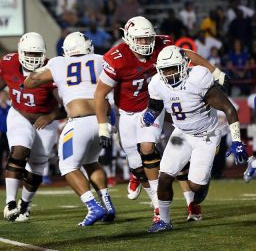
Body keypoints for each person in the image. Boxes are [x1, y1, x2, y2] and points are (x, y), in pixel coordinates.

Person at [94, 16, 229, 221]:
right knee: (141, 164)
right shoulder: (116, 57)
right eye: (139, 39)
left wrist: (215, 71)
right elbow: (100, 93)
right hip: (127, 114)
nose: (145, 43)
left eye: (148, 38)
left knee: (151, 149)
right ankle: (138, 176)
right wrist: (102, 126)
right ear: (128, 38)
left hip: (154, 108)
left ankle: (168, 207)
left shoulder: (162, 45)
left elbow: (186, 55)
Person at [142, 45, 247, 232]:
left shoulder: (198, 78)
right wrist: (150, 113)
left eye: (173, 68)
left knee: (195, 186)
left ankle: (202, 185)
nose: (170, 74)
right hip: (181, 134)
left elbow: (229, 109)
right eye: (165, 70)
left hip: (206, 135)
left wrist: (237, 140)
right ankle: (164, 221)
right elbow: (155, 105)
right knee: (165, 176)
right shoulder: (157, 83)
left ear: (183, 65)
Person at [24, 32, 115, 226]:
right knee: (92, 161)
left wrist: (40, 70)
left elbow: (29, 83)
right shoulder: (100, 59)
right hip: (102, 120)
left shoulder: (58, 63)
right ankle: (107, 205)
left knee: (67, 167)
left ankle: (93, 206)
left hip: (79, 121)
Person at [0, 32, 61, 222]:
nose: (33, 58)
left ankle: (25, 204)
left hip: (45, 120)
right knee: (19, 150)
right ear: (20, 52)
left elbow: (67, 105)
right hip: (19, 114)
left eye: (37, 55)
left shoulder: (52, 69)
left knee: (37, 166)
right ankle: (10, 203)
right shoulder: (9, 64)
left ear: (44, 54)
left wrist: (50, 116)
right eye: (29, 53)